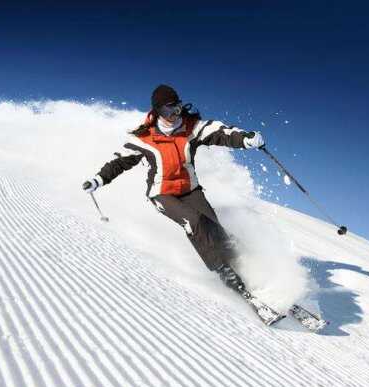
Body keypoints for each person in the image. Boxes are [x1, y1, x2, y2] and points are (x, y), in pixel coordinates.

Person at [82, 84, 265, 294]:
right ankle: (224, 272)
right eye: (167, 110)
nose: (174, 115)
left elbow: (220, 132)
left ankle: (242, 264)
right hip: (162, 193)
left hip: (190, 190)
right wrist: (98, 179)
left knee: (214, 227)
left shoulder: (192, 128)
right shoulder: (144, 138)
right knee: (194, 222)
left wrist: (245, 139)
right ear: (157, 111)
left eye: (176, 108)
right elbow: (119, 162)